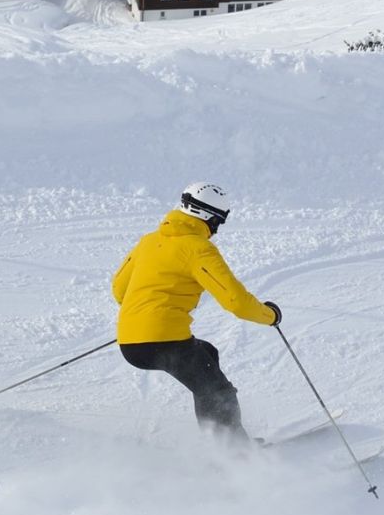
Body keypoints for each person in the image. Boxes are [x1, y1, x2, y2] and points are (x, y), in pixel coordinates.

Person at [111, 184, 280, 441]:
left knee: (206, 355)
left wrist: (144, 316)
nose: (217, 229)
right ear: (209, 218)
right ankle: (236, 456)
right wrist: (270, 316)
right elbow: (236, 301)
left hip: (130, 343)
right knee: (218, 392)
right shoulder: (198, 248)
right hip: (164, 341)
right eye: (219, 221)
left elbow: (119, 290)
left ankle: (223, 444)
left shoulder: (148, 242)